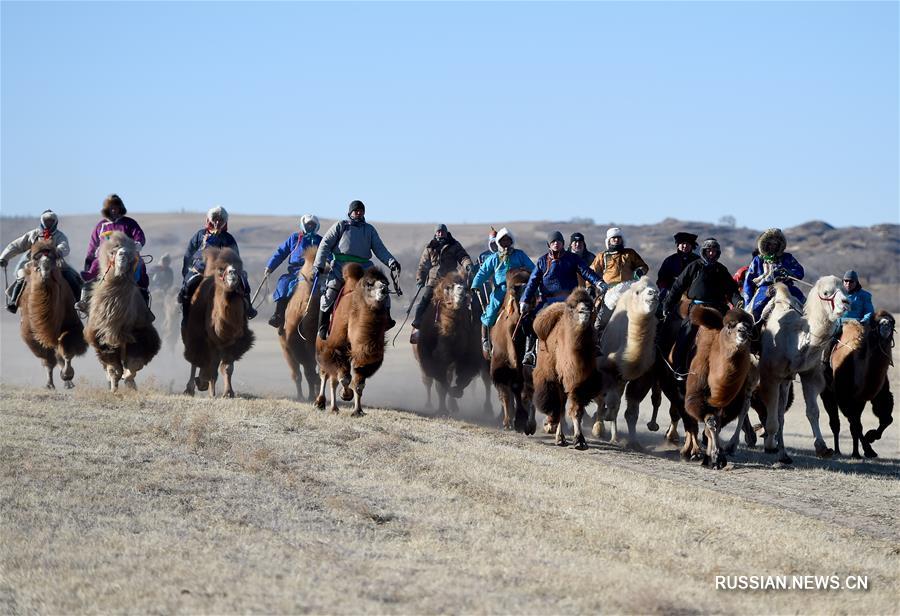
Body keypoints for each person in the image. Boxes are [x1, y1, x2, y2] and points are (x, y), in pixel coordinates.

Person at [313, 200, 400, 340]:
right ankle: (322, 327)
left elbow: (380, 249)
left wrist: (391, 262)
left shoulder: (369, 229)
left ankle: (387, 318)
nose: (358, 212)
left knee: (381, 287)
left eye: (361, 210)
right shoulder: (341, 226)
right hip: (341, 266)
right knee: (330, 291)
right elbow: (325, 244)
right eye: (356, 210)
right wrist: (319, 264)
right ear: (350, 212)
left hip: (364, 267)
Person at [519, 231, 606, 366]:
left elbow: (586, 271)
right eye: (553, 242)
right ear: (549, 244)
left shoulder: (572, 258)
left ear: (563, 244)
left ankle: (594, 345)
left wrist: (598, 282)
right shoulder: (542, 261)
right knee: (529, 319)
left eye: (558, 241)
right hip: (548, 301)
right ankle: (530, 351)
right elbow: (532, 282)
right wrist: (524, 300)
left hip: (570, 301)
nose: (556, 243)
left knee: (588, 315)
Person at [662, 238, 739, 377]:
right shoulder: (694, 266)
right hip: (698, 307)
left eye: (714, 251)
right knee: (686, 332)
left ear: (718, 253)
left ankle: (734, 369)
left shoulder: (721, 269)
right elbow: (678, 286)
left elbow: (732, 290)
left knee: (732, 332)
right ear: (704, 251)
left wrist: (739, 302)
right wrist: (667, 304)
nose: (711, 253)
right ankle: (679, 367)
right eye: (708, 250)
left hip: (719, 308)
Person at [179, 206, 257, 325]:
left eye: (220, 220)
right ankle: (186, 316)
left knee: (243, 280)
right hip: (200, 270)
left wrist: (237, 268)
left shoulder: (228, 238)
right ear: (210, 219)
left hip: (222, 272)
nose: (217, 222)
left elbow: (236, 256)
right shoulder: (200, 235)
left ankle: (248, 308)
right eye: (215, 219)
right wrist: (186, 271)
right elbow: (189, 253)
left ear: (224, 222)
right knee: (189, 283)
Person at [77, 194, 150, 314]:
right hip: (106, 257)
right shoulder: (101, 226)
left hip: (127, 255)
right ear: (107, 210)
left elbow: (139, 235)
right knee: (93, 269)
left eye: (116, 207)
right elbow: (93, 244)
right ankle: (85, 301)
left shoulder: (129, 223)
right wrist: (89, 259)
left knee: (140, 265)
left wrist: (137, 244)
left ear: (121, 208)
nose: (114, 210)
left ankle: (144, 304)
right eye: (111, 208)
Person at [470, 227, 535, 357]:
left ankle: (532, 346)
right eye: (503, 240)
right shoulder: (494, 258)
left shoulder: (519, 254)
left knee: (531, 312)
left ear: (511, 241)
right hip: (502, 290)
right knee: (491, 312)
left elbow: (533, 269)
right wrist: (475, 284)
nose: (506, 242)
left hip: (519, 289)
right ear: (499, 242)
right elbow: (483, 272)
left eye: (508, 240)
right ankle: (486, 340)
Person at [0, 210, 81, 313]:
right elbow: (17, 245)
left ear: (55, 222)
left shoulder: (59, 235)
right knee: (21, 276)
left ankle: (78, 301)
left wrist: (58, 251)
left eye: (51, 221)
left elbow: (64, 245)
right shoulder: (33, 234)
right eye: (47, 221)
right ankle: (14, 302)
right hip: (34, 263)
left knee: (71, 276)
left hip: (55, 263)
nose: (49, 223)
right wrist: (4, 257)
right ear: (42, 221)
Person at [409, 224, 475, 344]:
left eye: (442, 232)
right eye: (438, 232)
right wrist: (420, 278)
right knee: (425, 300)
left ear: (446, 232)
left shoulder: (454, 245)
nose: (440, 234)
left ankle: (469, 326)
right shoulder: (430, 247)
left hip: (450, 280)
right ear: (435, 233)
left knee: (462, 299)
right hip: (434, 280)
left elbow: (463, 256)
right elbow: (423, 265)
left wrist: (468, 264)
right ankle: (417, 327)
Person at [264, 214, 323, 332]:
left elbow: (329, 254)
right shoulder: (295, 238)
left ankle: (326, 323)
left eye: (313, 225)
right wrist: (270, 266)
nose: (310, 226)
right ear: (303, 225)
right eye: (308, 224)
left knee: (328, 289)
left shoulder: (320, 240)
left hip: (316, 272)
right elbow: (281, 252)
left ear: (316, 226)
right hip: (295, 271)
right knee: (283, 283)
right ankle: (278, 315)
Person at [590, 227, 649, 329]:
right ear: (609, 240)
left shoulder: (630, 253)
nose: (616, 240)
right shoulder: (602, 256)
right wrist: (590, 287)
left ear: (622, 239)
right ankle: (597, 339)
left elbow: (644, 267)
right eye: (614, 238)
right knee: (600, 321)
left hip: (629, 288)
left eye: (618, 238)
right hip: (609, 291)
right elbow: (591, 273)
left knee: (647, 310)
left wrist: (640, 271)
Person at [743, 228, 805, 321]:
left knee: (806, 307)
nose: (772, 246)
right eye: (770, 244)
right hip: (765, 289)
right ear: (765, 244)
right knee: (753, 313)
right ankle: (753, 331)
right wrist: (748, 302)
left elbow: (799, 270)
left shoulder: (787, 257)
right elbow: (748, 282)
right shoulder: (758, 259)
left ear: (780, 245)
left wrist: (789, 273)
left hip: (787, 287)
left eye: (775, 244)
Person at [822, 270, 875, 372]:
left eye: (851, 281)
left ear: (856, 282)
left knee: (872, 342)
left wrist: (864, 321)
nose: (848, 284)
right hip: (838, 324)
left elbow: (869, 311)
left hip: (857, 324)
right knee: (828, 340)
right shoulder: (837, 294)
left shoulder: (864, 295)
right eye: (846, 281)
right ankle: (824, 364)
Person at [656, 232, 699, 304]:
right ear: (678, 245)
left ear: (692, 246)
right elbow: (662, 278)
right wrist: (664, 289)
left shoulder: (698, 261)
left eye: (688, 244)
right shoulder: (670, 260)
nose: (685, 246)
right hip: (672, 292)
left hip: (694, 293)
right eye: (682, 243)